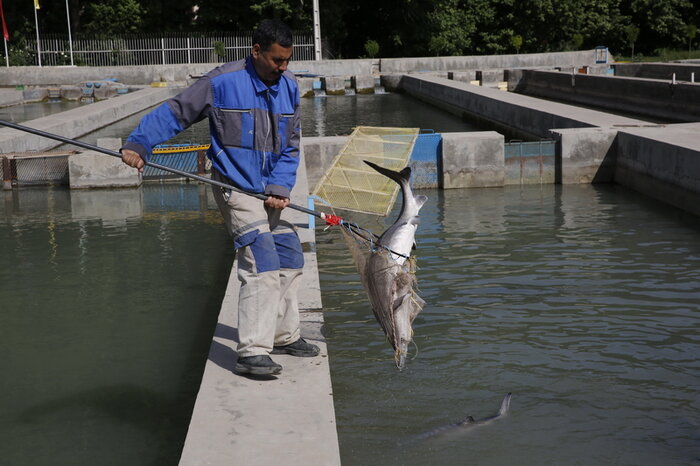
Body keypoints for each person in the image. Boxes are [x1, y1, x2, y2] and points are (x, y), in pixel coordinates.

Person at [120, 19, 319, 376]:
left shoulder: (289, 87)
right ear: (256, 52)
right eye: (277, 60)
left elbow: (291, 146)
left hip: (269, 190)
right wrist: (139, 143)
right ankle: (252, 352)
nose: (283, 67)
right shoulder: (221, 82)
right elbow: (175, 112)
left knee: (290, 254)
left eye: (287, 60)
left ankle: (284, 335)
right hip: (235, 187)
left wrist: (279, 187)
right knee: (261, 258)